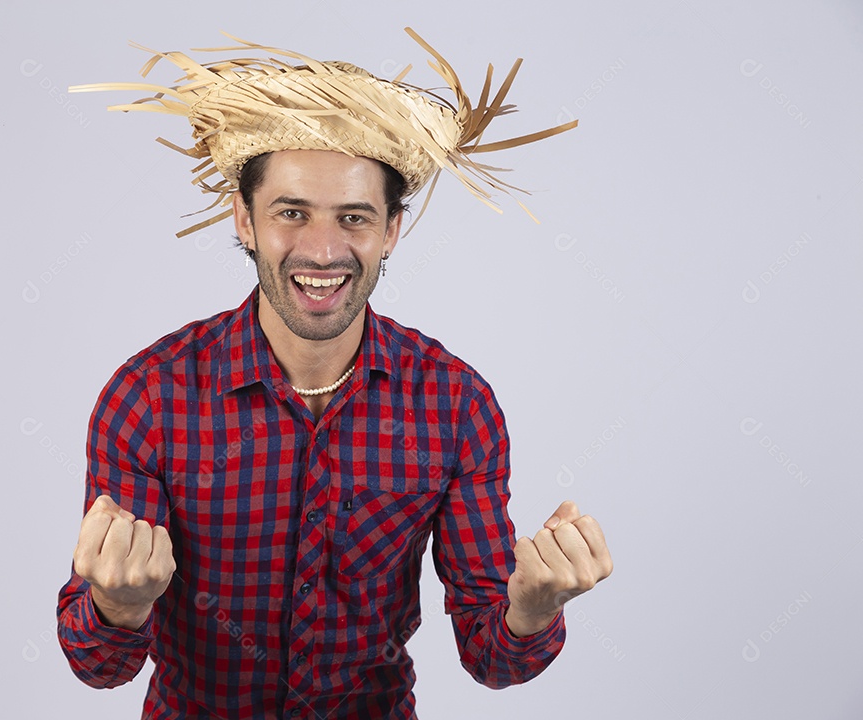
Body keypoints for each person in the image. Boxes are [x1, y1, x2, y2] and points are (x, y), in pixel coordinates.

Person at [57, 29, 612, 719]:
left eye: (353, 217)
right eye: (292, 213)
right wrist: (117, 603)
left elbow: (492, 657)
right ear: (246, 220)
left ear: (390, 232)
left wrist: (531, 607)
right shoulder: (149, 399)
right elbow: (98, 667)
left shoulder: (454, 404)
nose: (322, 250)